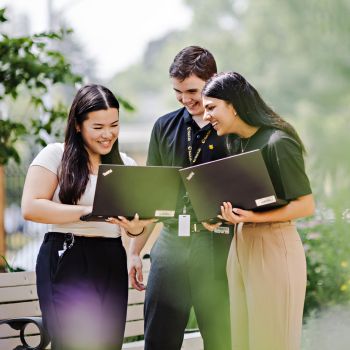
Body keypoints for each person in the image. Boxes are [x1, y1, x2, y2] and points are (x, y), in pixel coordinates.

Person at [21, 84, 154, 350]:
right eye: (98, 127)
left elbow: (136, 226)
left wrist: (137, 228)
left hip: (111, 258)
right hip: (65, 254)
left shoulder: (126, 165)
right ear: (78, 125)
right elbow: (31, 207)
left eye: (114, 125)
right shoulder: (54, 155)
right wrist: (89, 212)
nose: (108, 134)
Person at [201, 71, 315, 350]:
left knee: (272, 341)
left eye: (211, 107)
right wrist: (218, 216)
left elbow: (305, 205)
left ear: (234, 105)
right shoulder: (237, 143)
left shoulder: (278, 142)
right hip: (241, 245)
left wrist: (254, 218)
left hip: (273, 246)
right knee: (242, 341)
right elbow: (247, 199)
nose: (206, 116)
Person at [128, 46, 232, 350]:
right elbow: (151, 196)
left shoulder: (232, 129)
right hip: (170, 244)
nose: (186, 99)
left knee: (222, 340)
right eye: (178, 91)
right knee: (158, 341)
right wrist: (135, 251)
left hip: (218, 246)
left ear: (213, 80)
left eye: (192, 90)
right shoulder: (163, 127)